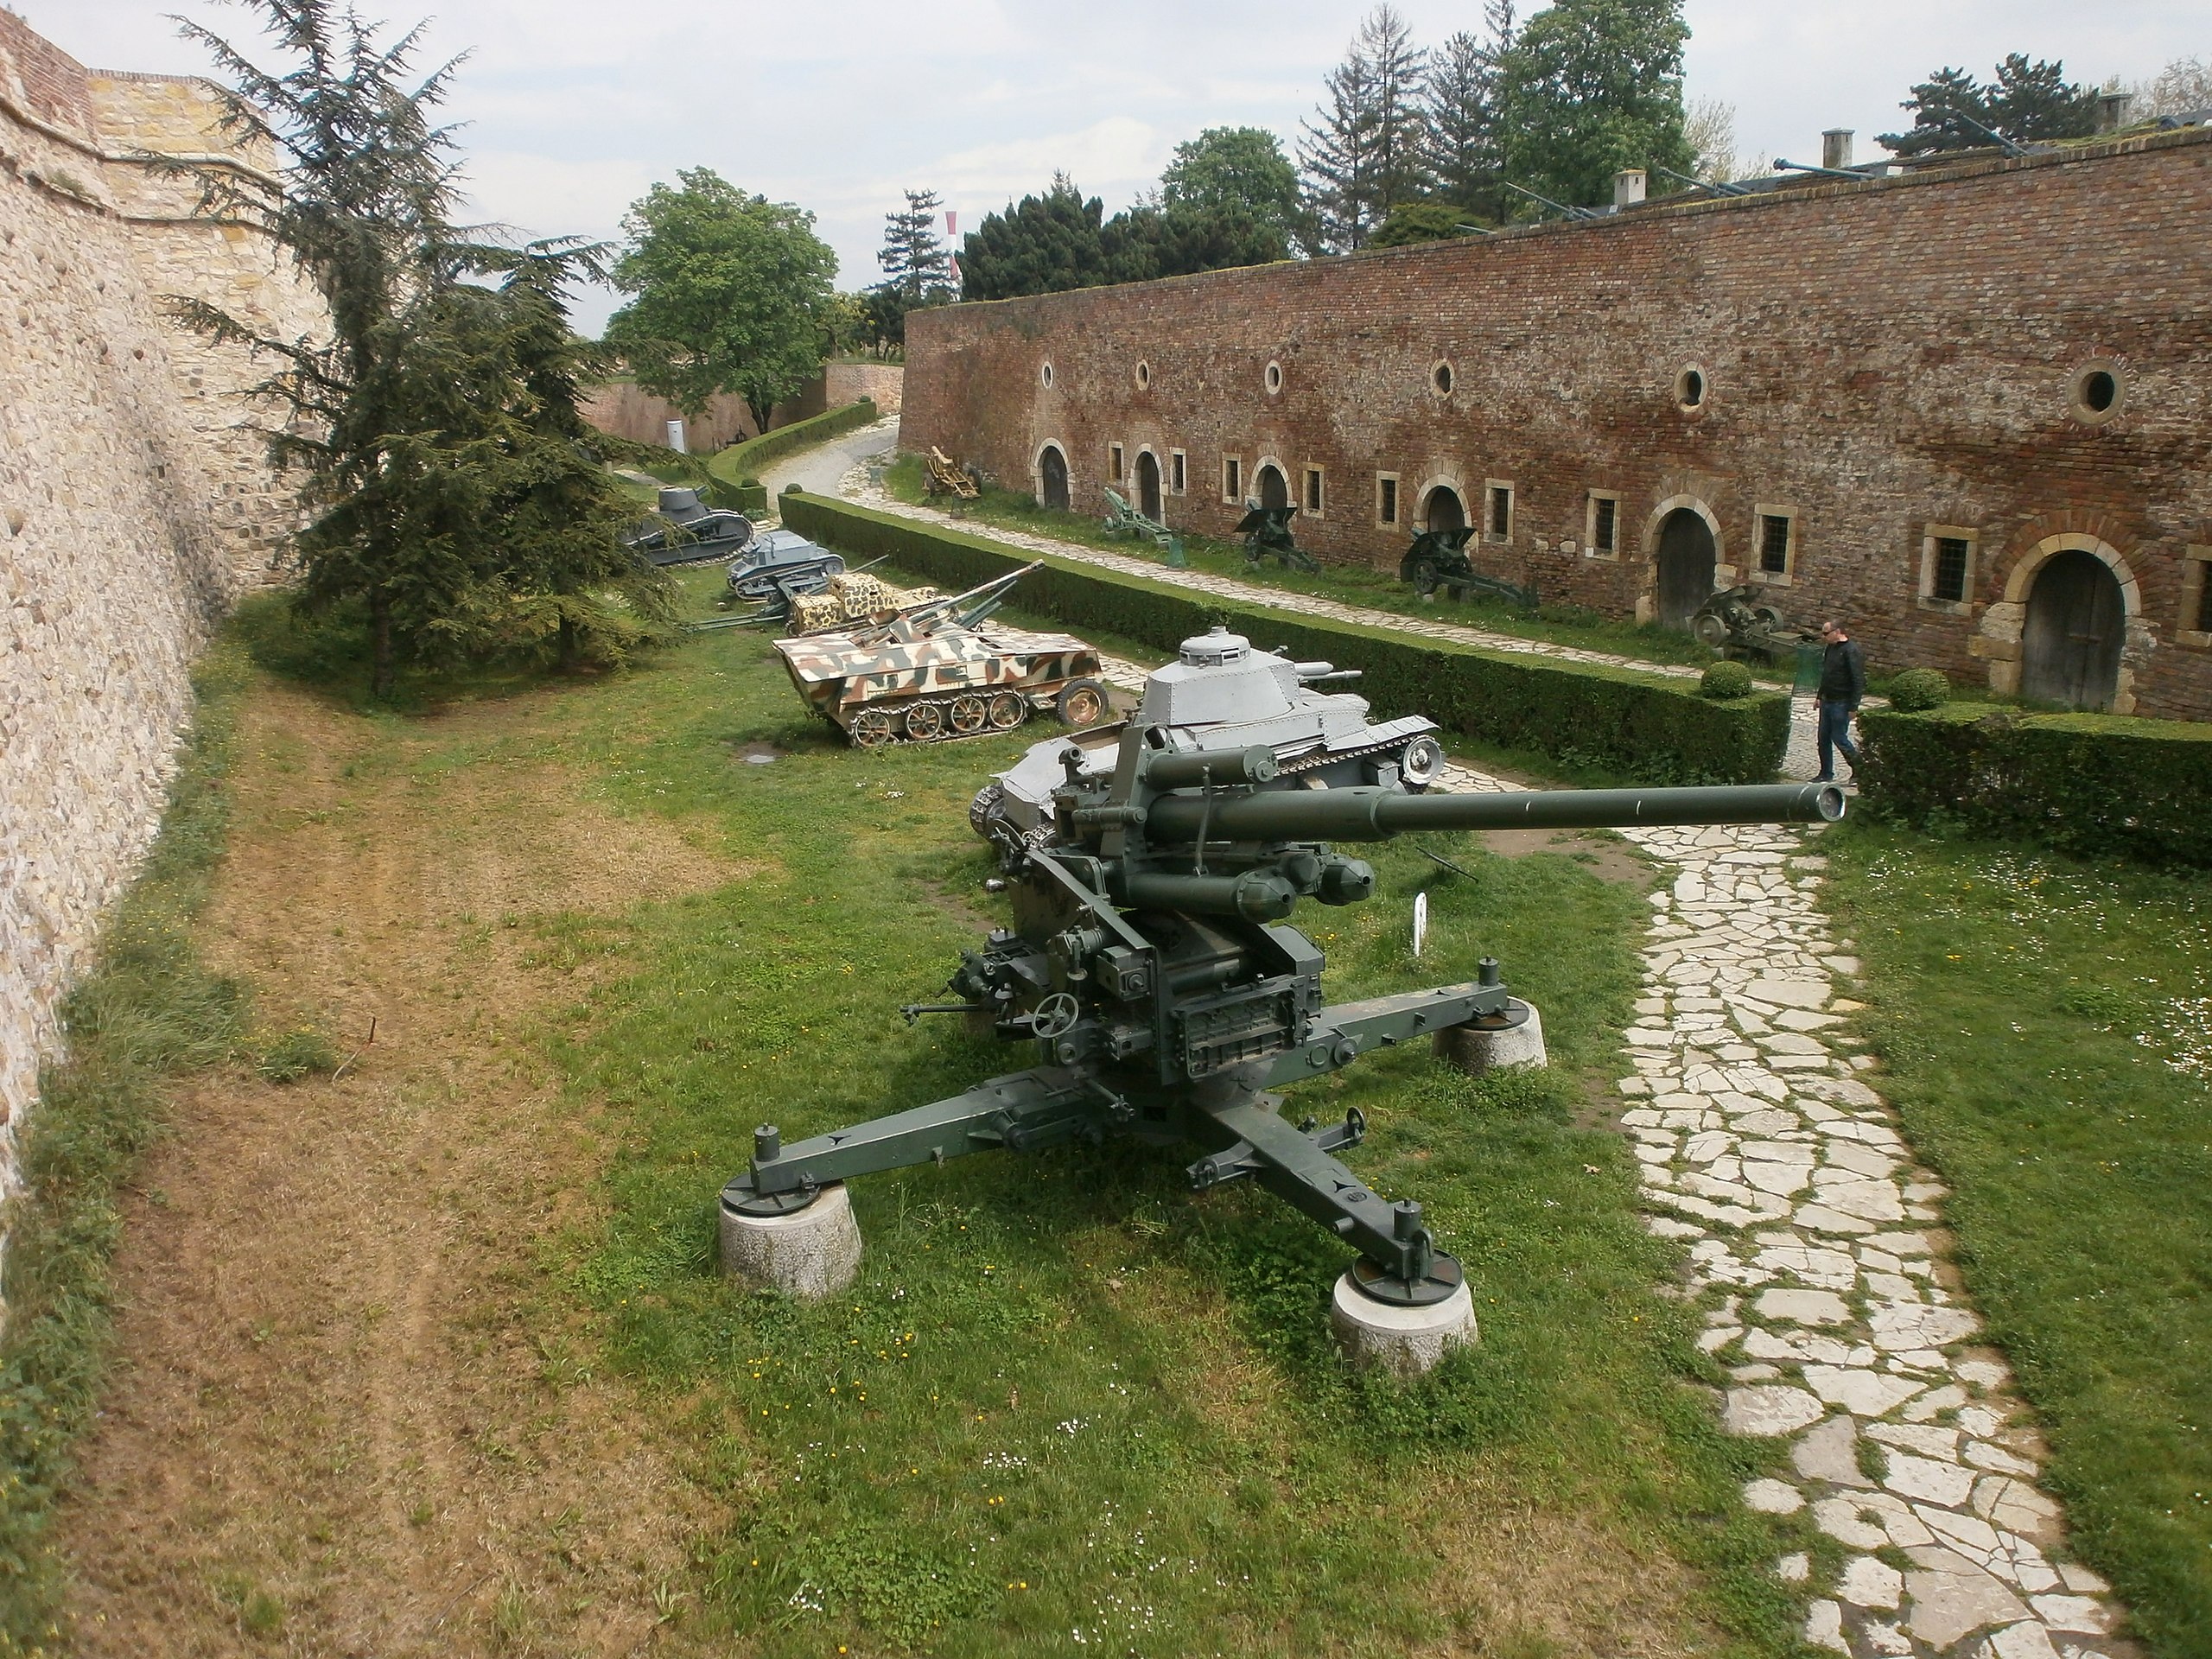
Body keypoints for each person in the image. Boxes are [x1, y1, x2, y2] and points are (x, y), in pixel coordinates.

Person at [1815, 620, 1865, 783]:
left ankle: (1860, 769)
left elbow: (1857, 680)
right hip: (1828, 700)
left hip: (1841, 702)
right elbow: (1827, 675)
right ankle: (1826, 773)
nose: (1824, 637)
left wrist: (1853, 706)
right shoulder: (1830, 649)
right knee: (1823, 738)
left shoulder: (1851, 650)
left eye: (1826, 633)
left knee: (1839, 738)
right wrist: (1819, 696)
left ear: (1837, 631)